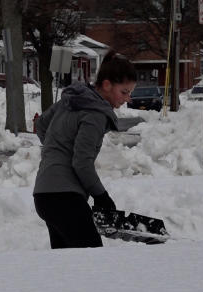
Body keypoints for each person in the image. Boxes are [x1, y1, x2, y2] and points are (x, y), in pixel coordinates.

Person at [33, 50, 137, 249]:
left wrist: (56, 150)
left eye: (130, 93)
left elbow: (41, 124)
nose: (127, 99)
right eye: (124, 92)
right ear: (107, 85)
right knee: (91, 262)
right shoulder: (95, 114)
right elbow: (81, 162)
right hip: (65, 198)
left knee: (69, 267)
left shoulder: (71, 100)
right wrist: (101, 196)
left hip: (44, 195)